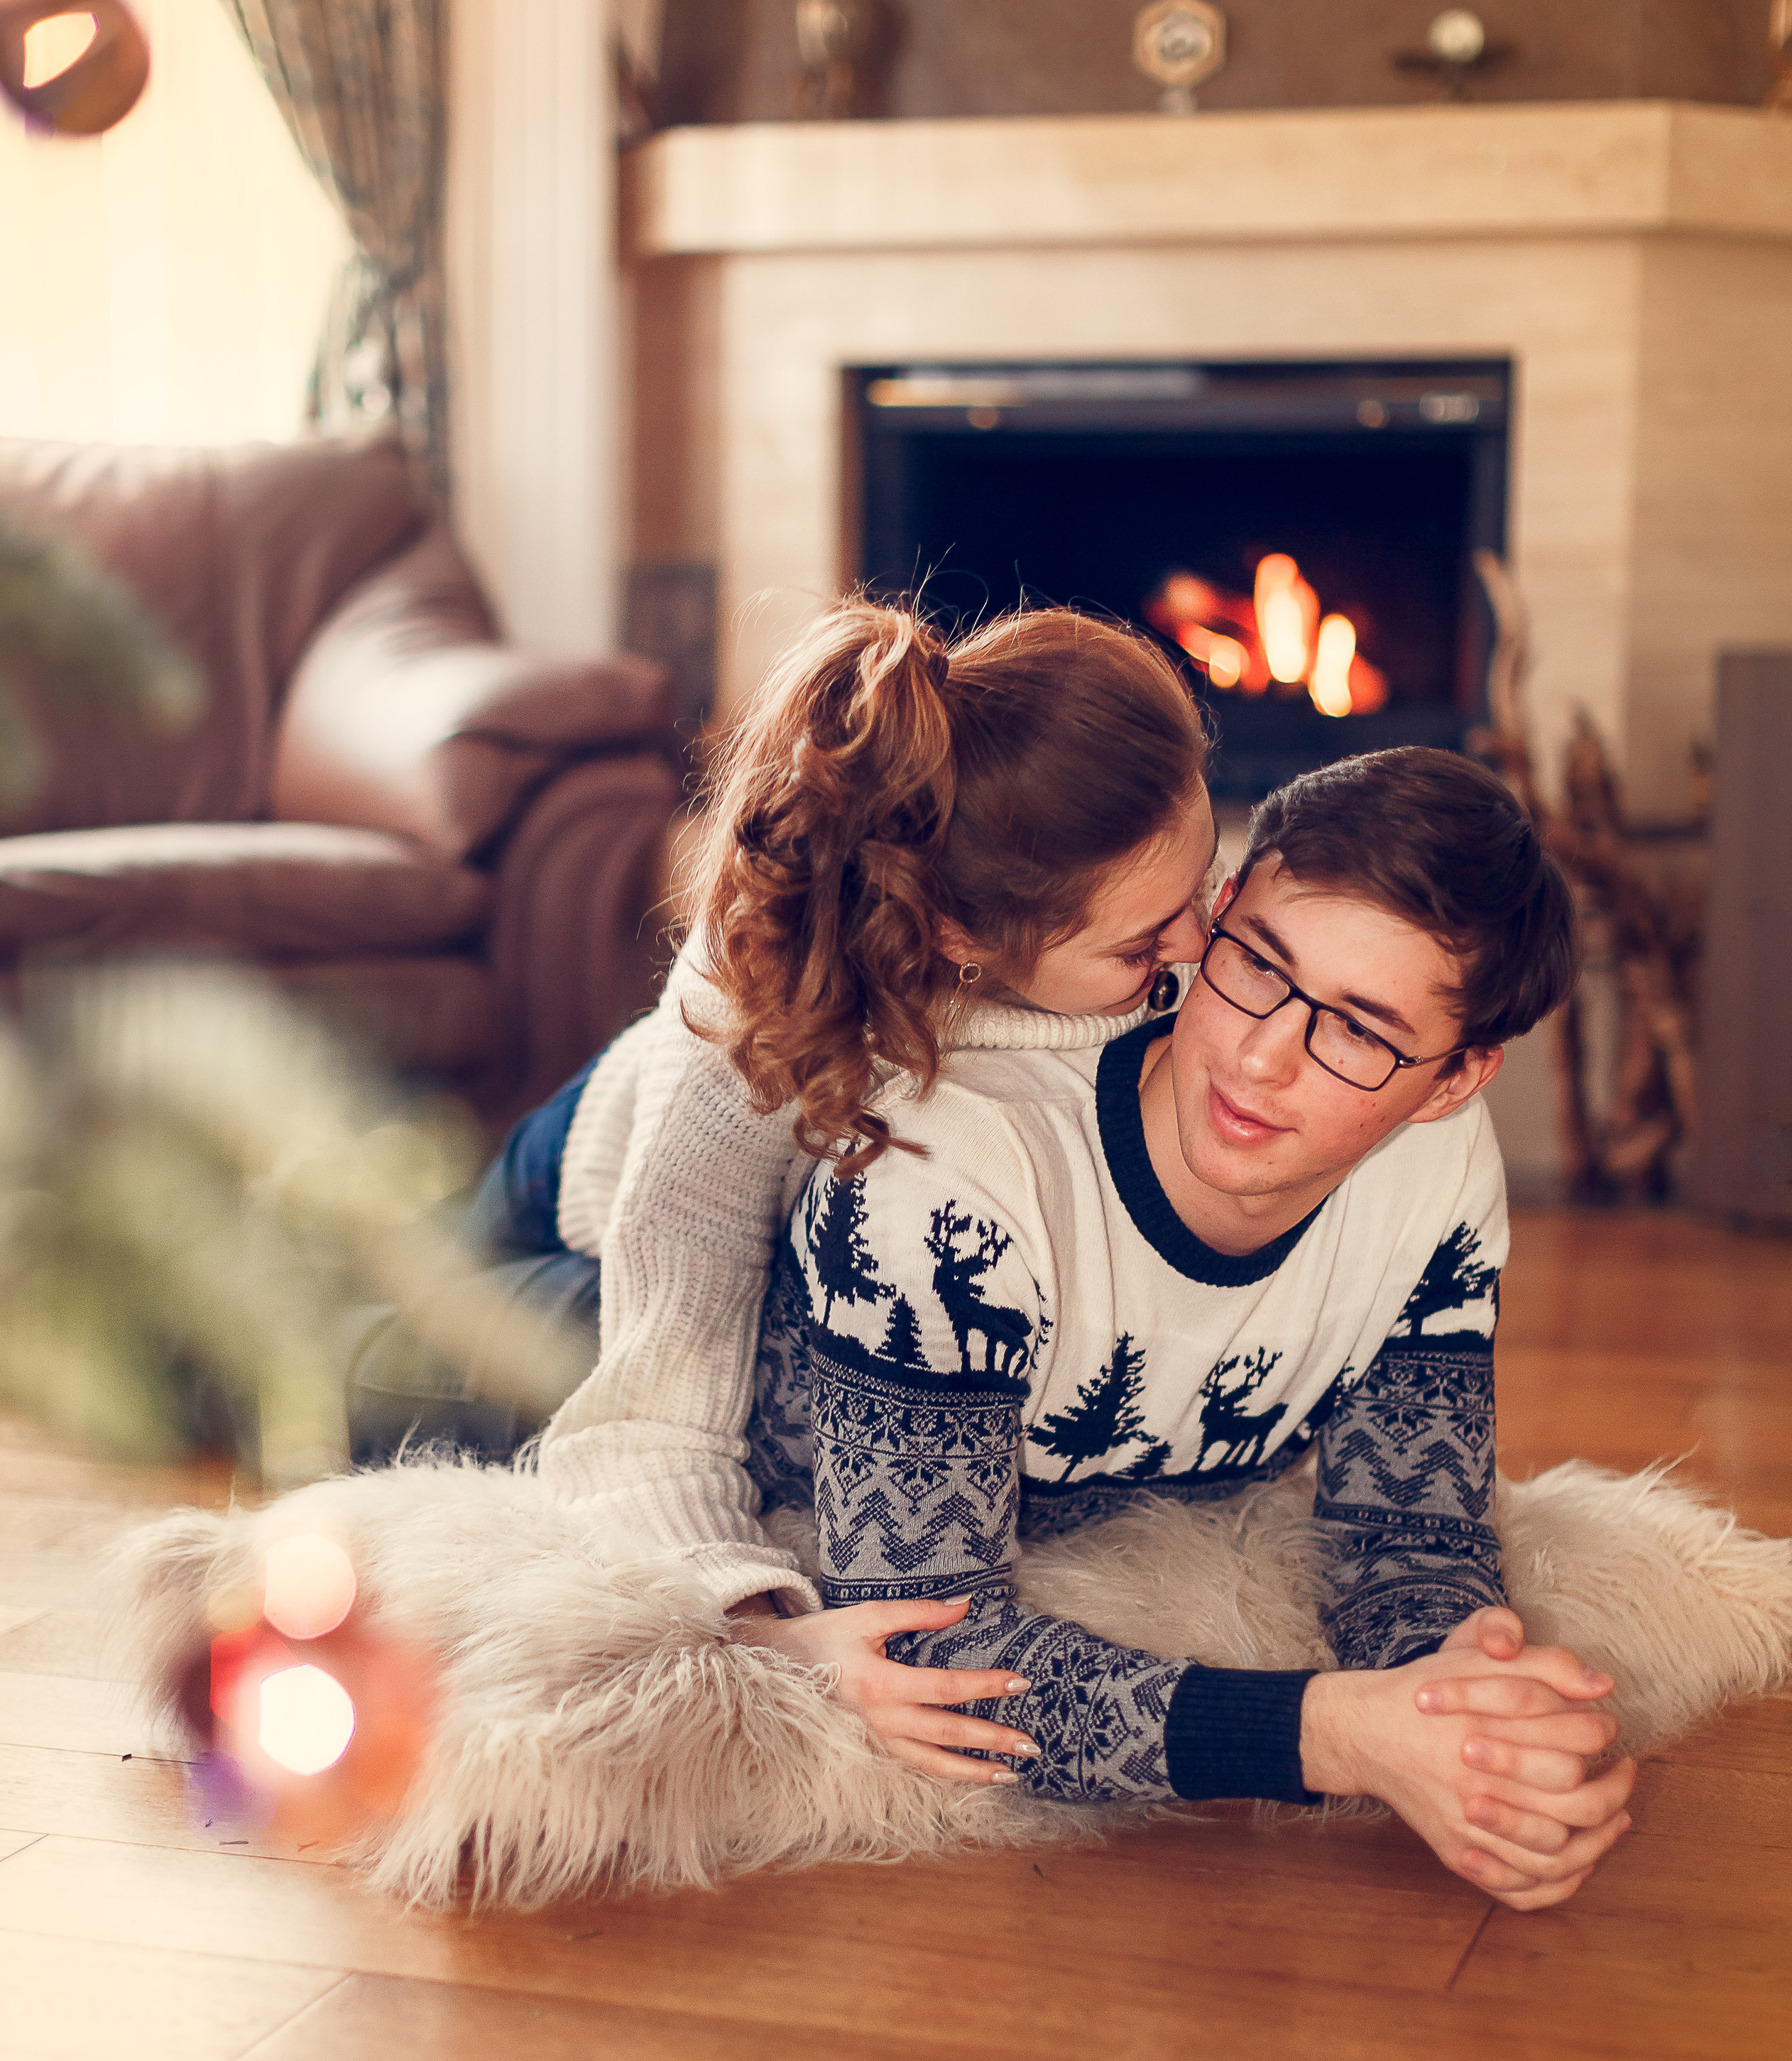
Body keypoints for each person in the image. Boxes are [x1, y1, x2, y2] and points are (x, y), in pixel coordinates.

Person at [510, 598, 1625, 1910]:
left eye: (1207, 900)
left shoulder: (1204, 986)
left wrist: (1465, 1695)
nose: (1214, 991)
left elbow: (1410, 1519)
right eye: (1186, 951)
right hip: (592, 1196)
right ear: (968, 943)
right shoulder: (802, 1046)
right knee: (434, 1361)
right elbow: (664, 1396)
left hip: (840, 1222)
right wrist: (768, 1630)